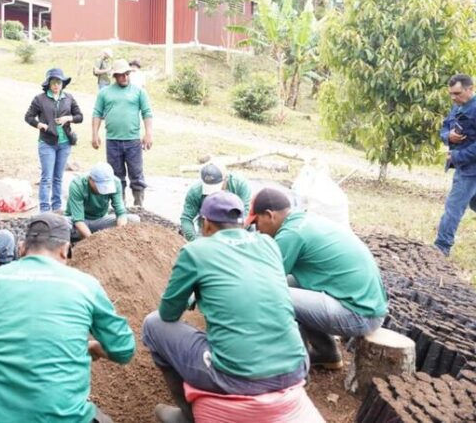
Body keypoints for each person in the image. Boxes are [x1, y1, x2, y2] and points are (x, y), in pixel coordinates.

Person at [143, 192, 307, 423]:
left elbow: (169, 313)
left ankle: (187, 416)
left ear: (207, 224)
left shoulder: (196, 251)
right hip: (296, 367)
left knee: (153, 324)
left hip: (238, 377)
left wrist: (195, 294)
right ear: (242, 222)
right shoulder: (268, 244)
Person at [0, 213, 136, 422]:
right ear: (65, 250)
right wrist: (93, 347)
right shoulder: (84, 285)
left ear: (21, 248)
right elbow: (124, 351)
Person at [247, 187, 388, 370]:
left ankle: (296, 368)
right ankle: (327, 353)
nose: (257, 229)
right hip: (366, 306)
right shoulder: (304, 220)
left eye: (257, 222)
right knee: (291, 284)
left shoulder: (291, 234)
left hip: (359, 314)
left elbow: (265, 281)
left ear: (269, 215)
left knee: (275, 295)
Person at [92, 58, 154, 206]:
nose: (125, 77)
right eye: (121, 74)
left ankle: (139, 206)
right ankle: (120, 206)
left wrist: (148, 133)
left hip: (133, 141)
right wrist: (95, 134)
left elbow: (147, 113)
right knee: (116, 177)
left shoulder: (139, 92)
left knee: (136, 175)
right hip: (112, 141)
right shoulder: (105, 93)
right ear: (114, 76)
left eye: (127, 74)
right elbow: (97, 113)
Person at [24, 67, 83, 213]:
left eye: (59, 82)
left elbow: (79, 116)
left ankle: (57, 207)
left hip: (65, 143)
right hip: (47, 143)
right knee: (46, 178)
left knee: (58, 177)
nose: (56, 85)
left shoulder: (68, 98)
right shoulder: (40, 99)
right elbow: (28, 117)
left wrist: (68, 118)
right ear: (49, 84)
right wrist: (39, 125)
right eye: (53, 82)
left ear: (63, 83)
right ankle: (44, 209)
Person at [435, 73, 476, 256]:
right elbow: (444, 127)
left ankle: (441, 248)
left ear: (470, 89)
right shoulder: (457, 106)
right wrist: (447, 136)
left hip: (470, 169)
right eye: (451, 93)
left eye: (457, 93)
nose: (453, 97)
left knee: (453, 207)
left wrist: (457, 156)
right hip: (464, 167)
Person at [65, 162, 140, 240]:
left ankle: (99, 235)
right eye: (100, 186)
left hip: (100, 221)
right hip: (77, 223)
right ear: (90, 179)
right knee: (62, 224)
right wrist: (92, 241)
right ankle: (91, 235)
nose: (103, 190)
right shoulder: (77, 184)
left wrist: (119, 236)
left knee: (134, 220)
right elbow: (78, 220)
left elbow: (120, 213)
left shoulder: (115, 183)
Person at [179, 162, 251, 241]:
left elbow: (246, 215)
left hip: (234, 226)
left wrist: (232, 240)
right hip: (209, 227)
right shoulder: (195, 191)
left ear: (225, 179)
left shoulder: (240, 185)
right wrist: (194, 240)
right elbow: (186, 218)